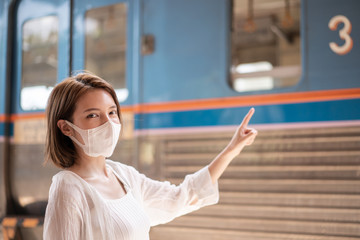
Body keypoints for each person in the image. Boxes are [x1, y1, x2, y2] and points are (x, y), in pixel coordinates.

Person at [43, 72, 257, 240]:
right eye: (93, 115)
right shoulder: (68, 188)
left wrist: (232, 149)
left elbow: (181, 197)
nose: (108, 123)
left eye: (112, 112)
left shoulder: (124, 176)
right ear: (66, 128)